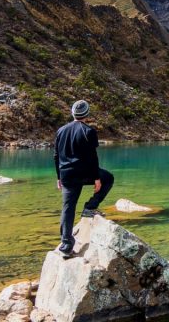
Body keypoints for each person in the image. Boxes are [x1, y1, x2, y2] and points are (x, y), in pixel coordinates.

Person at [54, 99, 114, 257]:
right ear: (87, 114)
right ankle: (90, 207)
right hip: (84, 173)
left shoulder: (61, 131)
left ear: (72, 113)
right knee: (108, 178)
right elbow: (92, 157)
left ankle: (66, 246)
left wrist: (58, 176)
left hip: (66, 175)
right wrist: (96, 178)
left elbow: (56, 156)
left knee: (68, 208)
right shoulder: (89, 131)